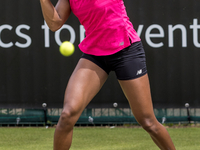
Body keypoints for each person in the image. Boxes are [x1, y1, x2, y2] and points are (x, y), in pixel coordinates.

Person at [39, 0, 176, 149]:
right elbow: (54, 23)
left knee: (148, 122)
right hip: (95, 54)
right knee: (67, 115)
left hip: (126, 50)